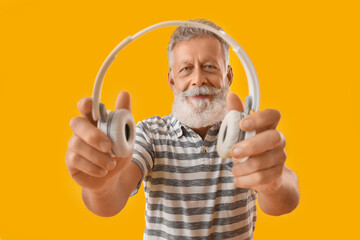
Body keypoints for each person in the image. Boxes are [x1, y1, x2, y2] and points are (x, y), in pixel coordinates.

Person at [65, 19, 299, 239]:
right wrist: (101, 184)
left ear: (228, 76)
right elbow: (110, 201)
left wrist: (274, 181)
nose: (198, 79)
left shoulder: (245, 133)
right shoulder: (150, 133)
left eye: (209, 67)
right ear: (172, 81)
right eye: (186, 69)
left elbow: (285, 200)